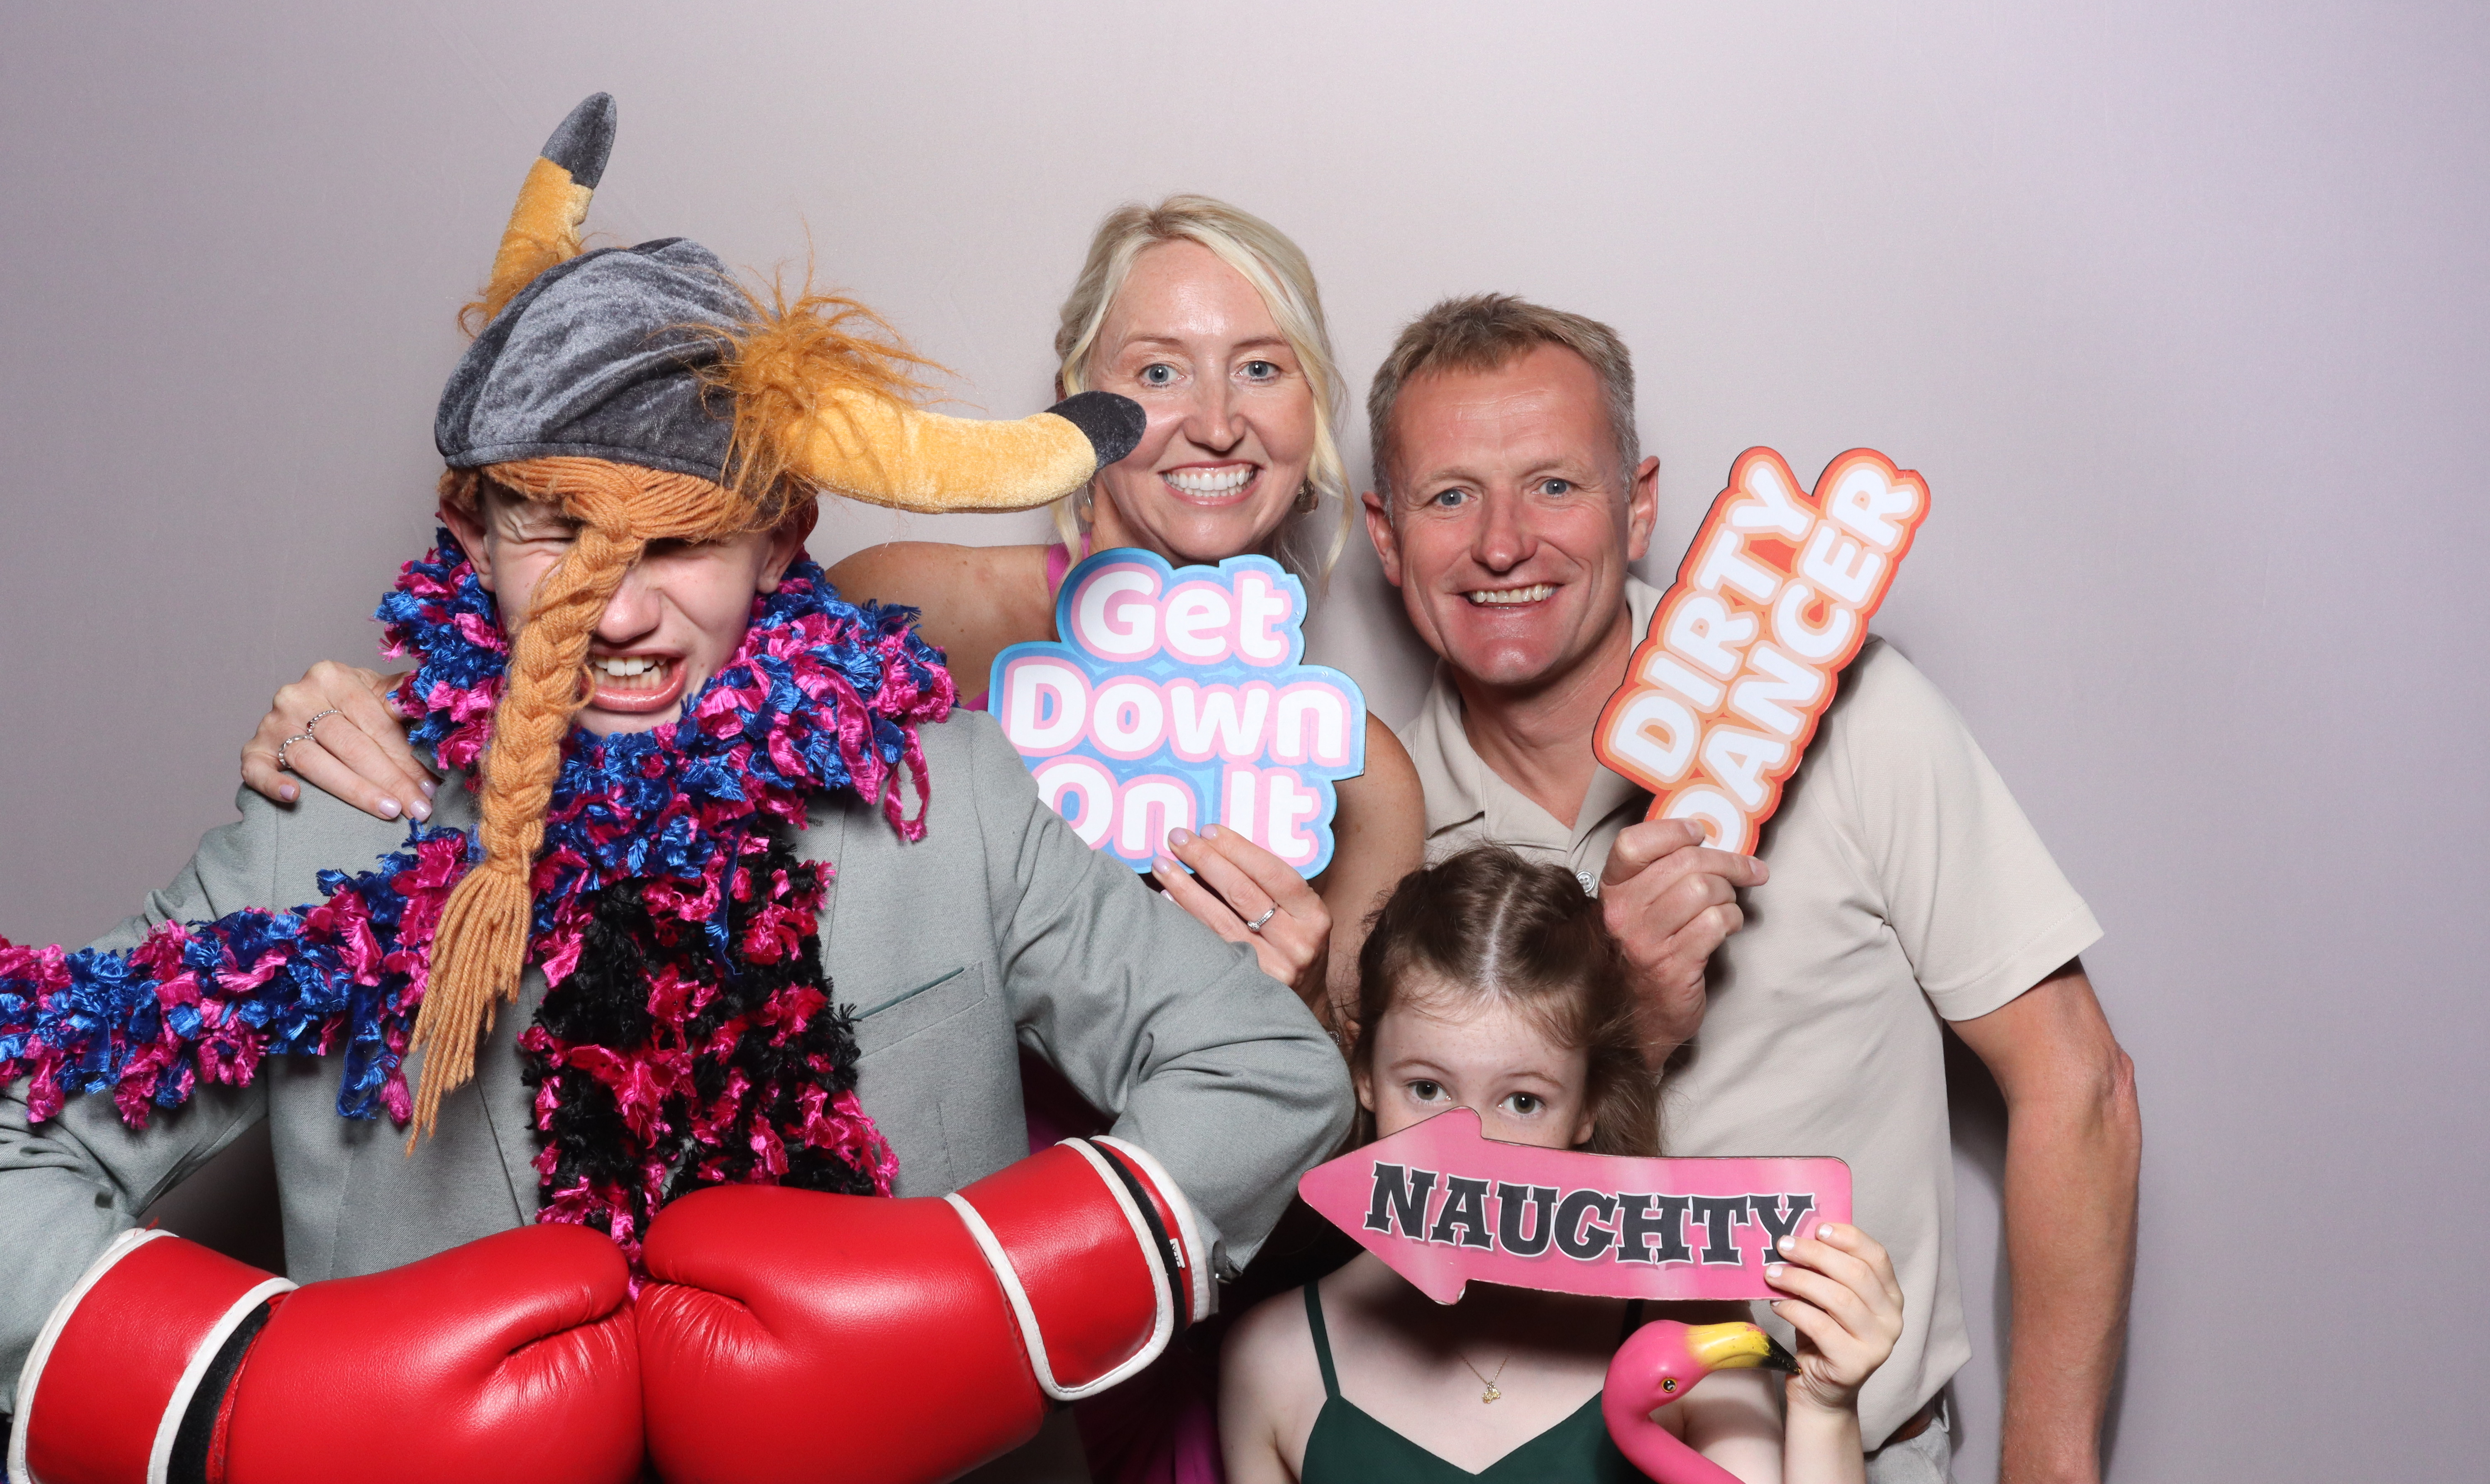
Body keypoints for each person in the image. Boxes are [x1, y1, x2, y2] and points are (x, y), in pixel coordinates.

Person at [0, 97, 1351, 1484]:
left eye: (685, 545)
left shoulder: (948, 794)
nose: (622, 616)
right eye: (559, 531)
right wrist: (232, 1392)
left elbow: (1264, 1072)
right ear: (471, 527)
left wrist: (990, 1302)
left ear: (782, 538)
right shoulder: (339, 826)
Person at [241, 196, 1426, 1030]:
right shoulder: (910, 601)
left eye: (1263, 367)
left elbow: (1368, 1126)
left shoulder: (1361, 777)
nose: (1215, 421)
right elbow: (645, 679)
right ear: (1074, 391)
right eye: (1159, 371)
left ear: (1313, 400)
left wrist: (1303, 1008)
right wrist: (369, 708)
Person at [1358, 295, 2142, 1483]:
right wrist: (1630, 1033)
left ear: (1640, 505)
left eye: (1555, 486)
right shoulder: (1382, 828)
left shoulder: (1849, 710)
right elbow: (1416, 1228)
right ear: (1384, 536)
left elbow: (2075, 1082)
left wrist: (2048, 1463)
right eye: (1450, 496)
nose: (1504, 544)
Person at [1220, 846, 1904, 1484]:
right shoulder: (1274, 1360)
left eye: (1522, 1100)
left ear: (1588, 1107)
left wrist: (1824, 1407)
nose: (1471, 1147)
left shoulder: (1689, 1329)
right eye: (1427, 1088)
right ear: (1366, 1075)